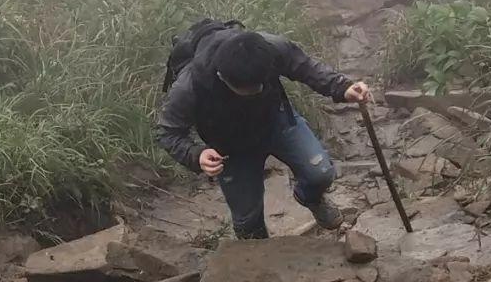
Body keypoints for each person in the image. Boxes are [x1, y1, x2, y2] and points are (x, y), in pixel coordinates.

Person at [156, 22, 372, 240]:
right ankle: (259, 256)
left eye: (259, 86)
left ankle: (310, 198)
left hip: (276, 121)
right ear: (222, 77)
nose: (254, 92)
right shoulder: (190, 85)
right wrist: (197, 154)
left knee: (320, 173)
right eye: (245, 91)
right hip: (229, 145)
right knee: (247, 220)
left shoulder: (270, 48)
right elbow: (167, 132)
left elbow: (306, 67)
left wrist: (343, 87)